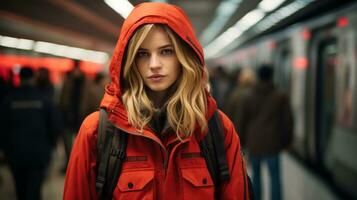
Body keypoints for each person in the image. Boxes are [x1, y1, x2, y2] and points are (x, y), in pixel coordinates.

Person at [63, 2, 250, 199]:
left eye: (166, 51)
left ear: (183, 56)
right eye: (143, 54)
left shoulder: (216, 129)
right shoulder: (96, 132)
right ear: (130, 60)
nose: (154, 65)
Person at [0, 67, 60, 200]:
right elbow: (54, 126)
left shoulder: (9, 100)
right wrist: (51, 146)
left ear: (19, 78)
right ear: (33, 79)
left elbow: (2, 128)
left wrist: (5, 150)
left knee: (20, 189)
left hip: (15, 154)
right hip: (38, 154)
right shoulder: (43, 100)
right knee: (34, 190)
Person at [239, 64, 293, 200]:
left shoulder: (249, 96)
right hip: (273, 144)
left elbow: (242, 120)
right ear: (272, 76)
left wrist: (242, 142)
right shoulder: (280, 96)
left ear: (258, 76)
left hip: (254, 143)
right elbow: (288, 121)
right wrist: (287, 142)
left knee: (255, 175)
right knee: (275, 176)